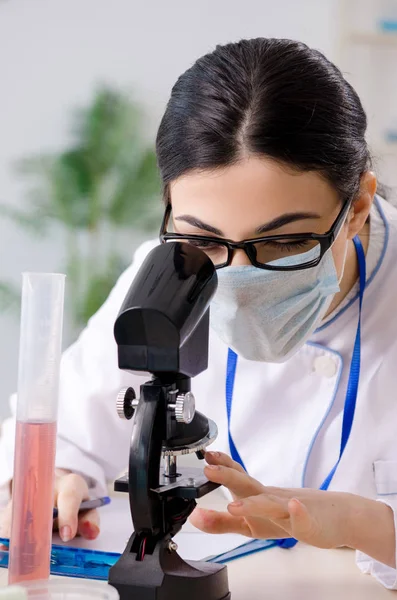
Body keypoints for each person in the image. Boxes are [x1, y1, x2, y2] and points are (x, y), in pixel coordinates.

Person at [1, 37, 397, 589]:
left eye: (284, 243)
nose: (237, 279)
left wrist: (370, 524)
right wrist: (57, 479)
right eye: (204, 241)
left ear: (355, 207)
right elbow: (67, 432)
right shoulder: (168, 273)